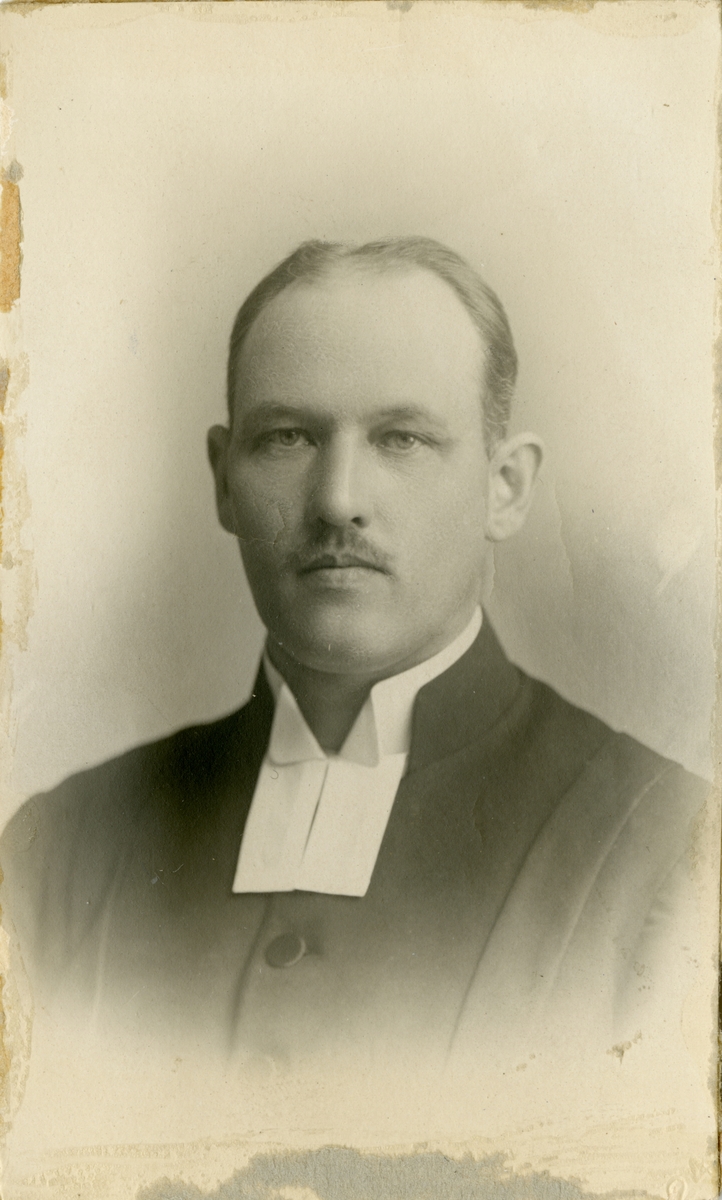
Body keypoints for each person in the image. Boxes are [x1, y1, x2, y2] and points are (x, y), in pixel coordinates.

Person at [0, 238, 710, 1109]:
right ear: (223, 481)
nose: (338, 500)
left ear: (506, 487)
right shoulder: (59, 853)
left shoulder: (673, 853)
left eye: (401, 438)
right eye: (287, 437)